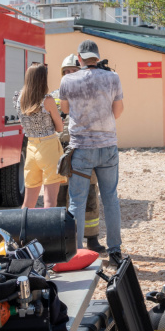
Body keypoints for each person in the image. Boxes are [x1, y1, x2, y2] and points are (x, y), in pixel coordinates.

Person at [57, 40, 124, 265]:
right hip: (107, 147)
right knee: (110, 199)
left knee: (76, 200)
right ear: (97, 56)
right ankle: (115, 251)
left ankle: (75, 253)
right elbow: (118, 111)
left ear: (79, 57)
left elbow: (65, 110)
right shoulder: (112, 78)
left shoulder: (67, 80)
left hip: (81, 147)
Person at [53, 54, 106, 253]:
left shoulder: (92, 96)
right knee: (61, 196)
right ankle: (60, 238)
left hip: (86, 148)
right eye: (66, 72)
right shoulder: (54, 96)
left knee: (90, 195)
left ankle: (91, 238)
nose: (69, 75)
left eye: (73, 71)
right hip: (62, 151)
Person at [14, 63, 65, 208]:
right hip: (48, 147)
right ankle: (49, 231)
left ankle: (24, 230)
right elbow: (60, 128)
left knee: (28, 202)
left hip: (31, 147)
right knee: (49, 201)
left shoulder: (20, 99)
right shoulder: (47, 100)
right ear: (43, 79)